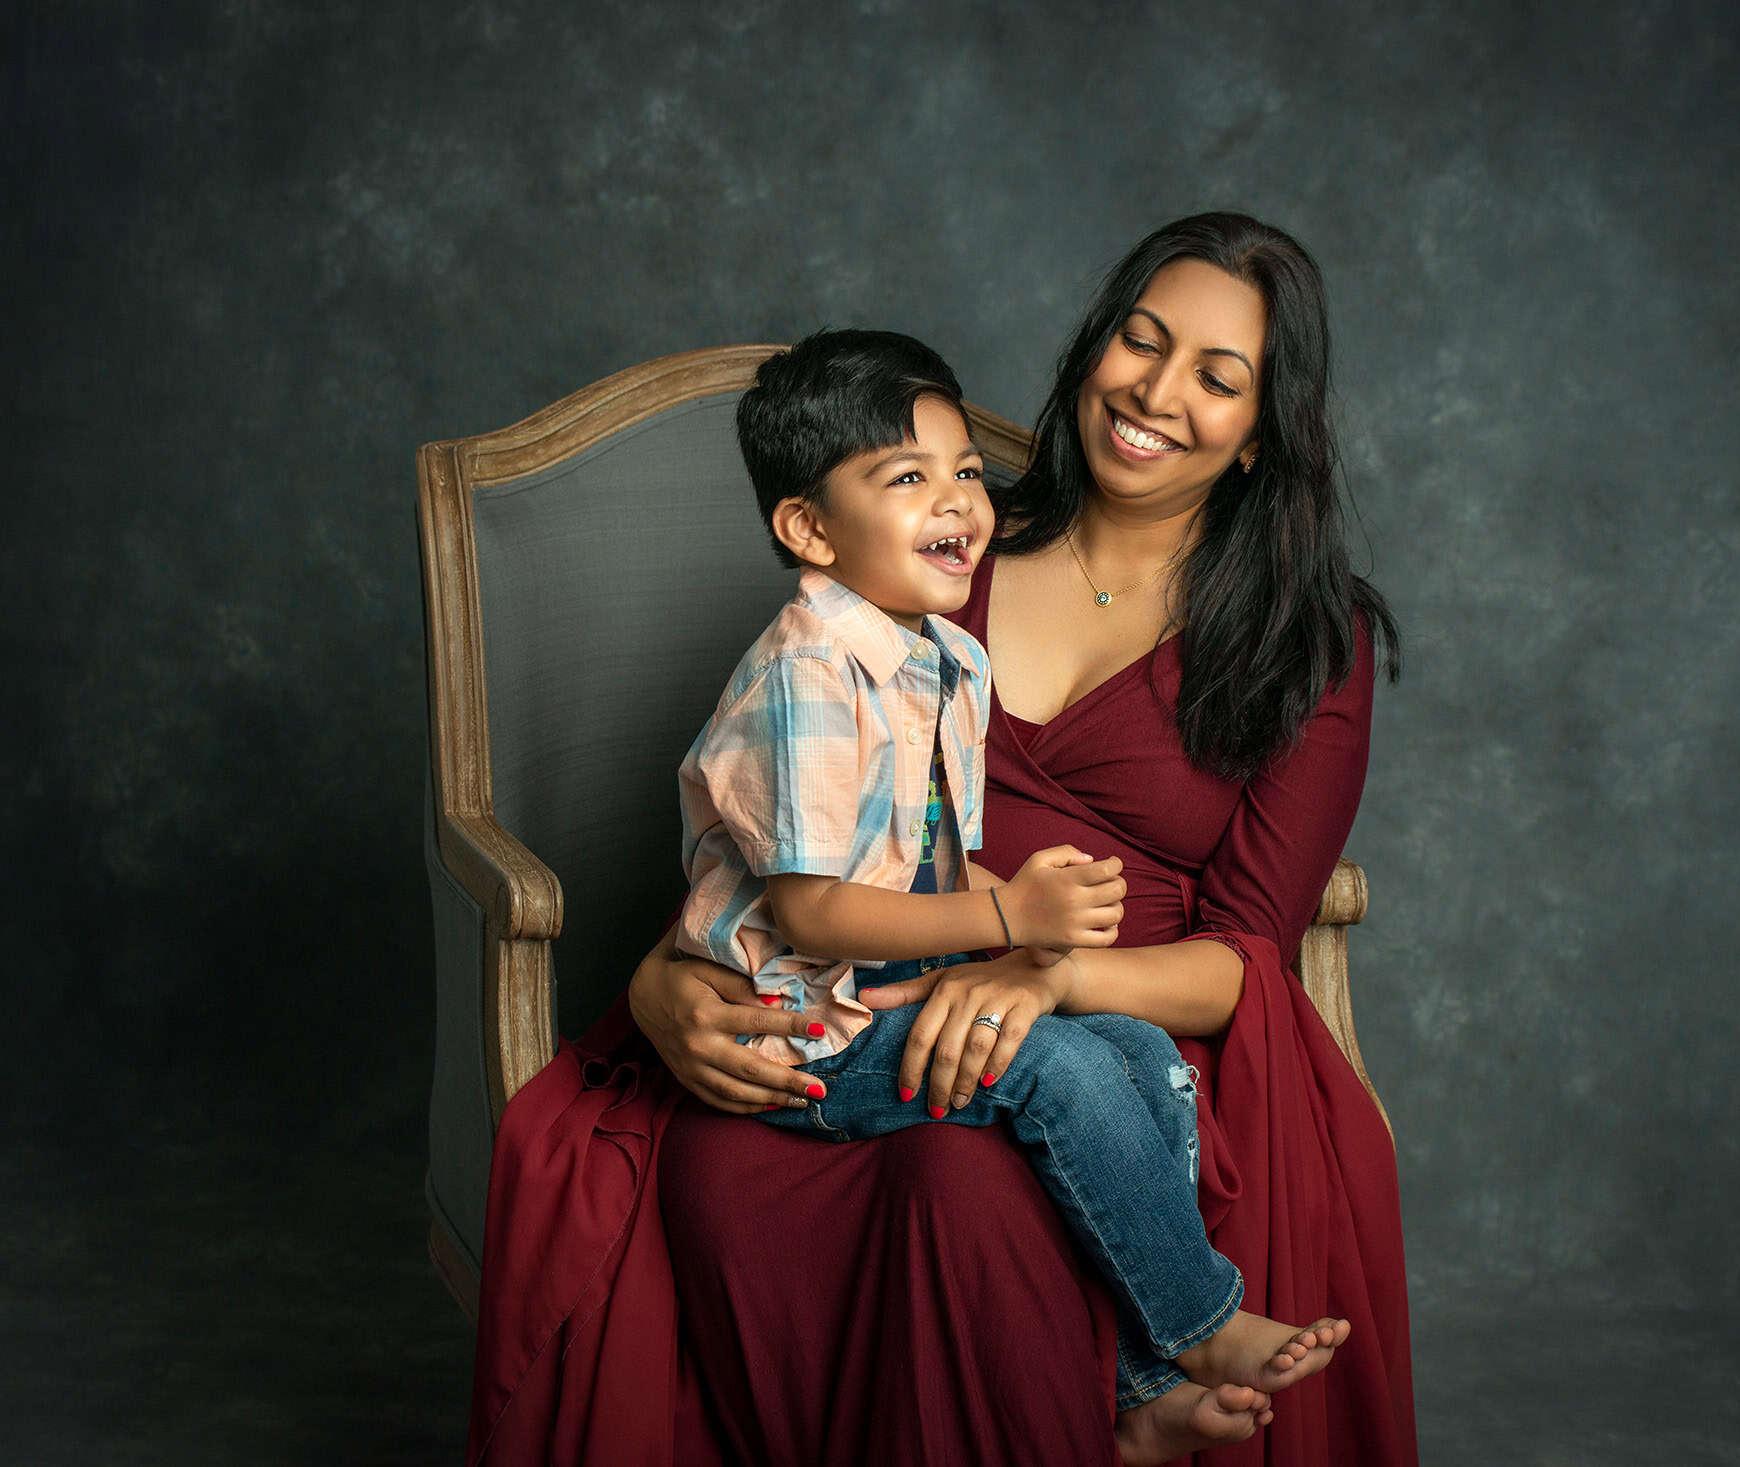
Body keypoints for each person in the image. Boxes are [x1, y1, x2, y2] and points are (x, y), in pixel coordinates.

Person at [467, 213, 1415, 1467]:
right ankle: (1139, 1380)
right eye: (1139, 341)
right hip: (864, 1007)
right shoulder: (935, 549)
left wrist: (1045, 975)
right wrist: (658, 989)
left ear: (1259, 437)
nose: (1154, 390)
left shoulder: (1308, 640)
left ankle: (1144, 1376)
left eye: (1215, 376)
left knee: (971, 1186)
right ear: (1092, 351)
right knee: (804, 1159)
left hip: (1122, 1031)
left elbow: (1251, 952)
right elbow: (796, 830)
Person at [676, 325, 1348, 1431]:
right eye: (906, 479)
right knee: (1048, 1068)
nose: (956, 503)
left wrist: (1034, 933)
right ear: (807, 528)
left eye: (964, 473)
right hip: (807, 1022)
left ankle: (1135, 1387)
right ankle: (1200, 1320)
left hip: (903, 975)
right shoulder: (807, 674)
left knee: (1134, 1057)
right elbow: (805, 906)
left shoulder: (944, 654)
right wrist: (1002, 914)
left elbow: (919, 846)